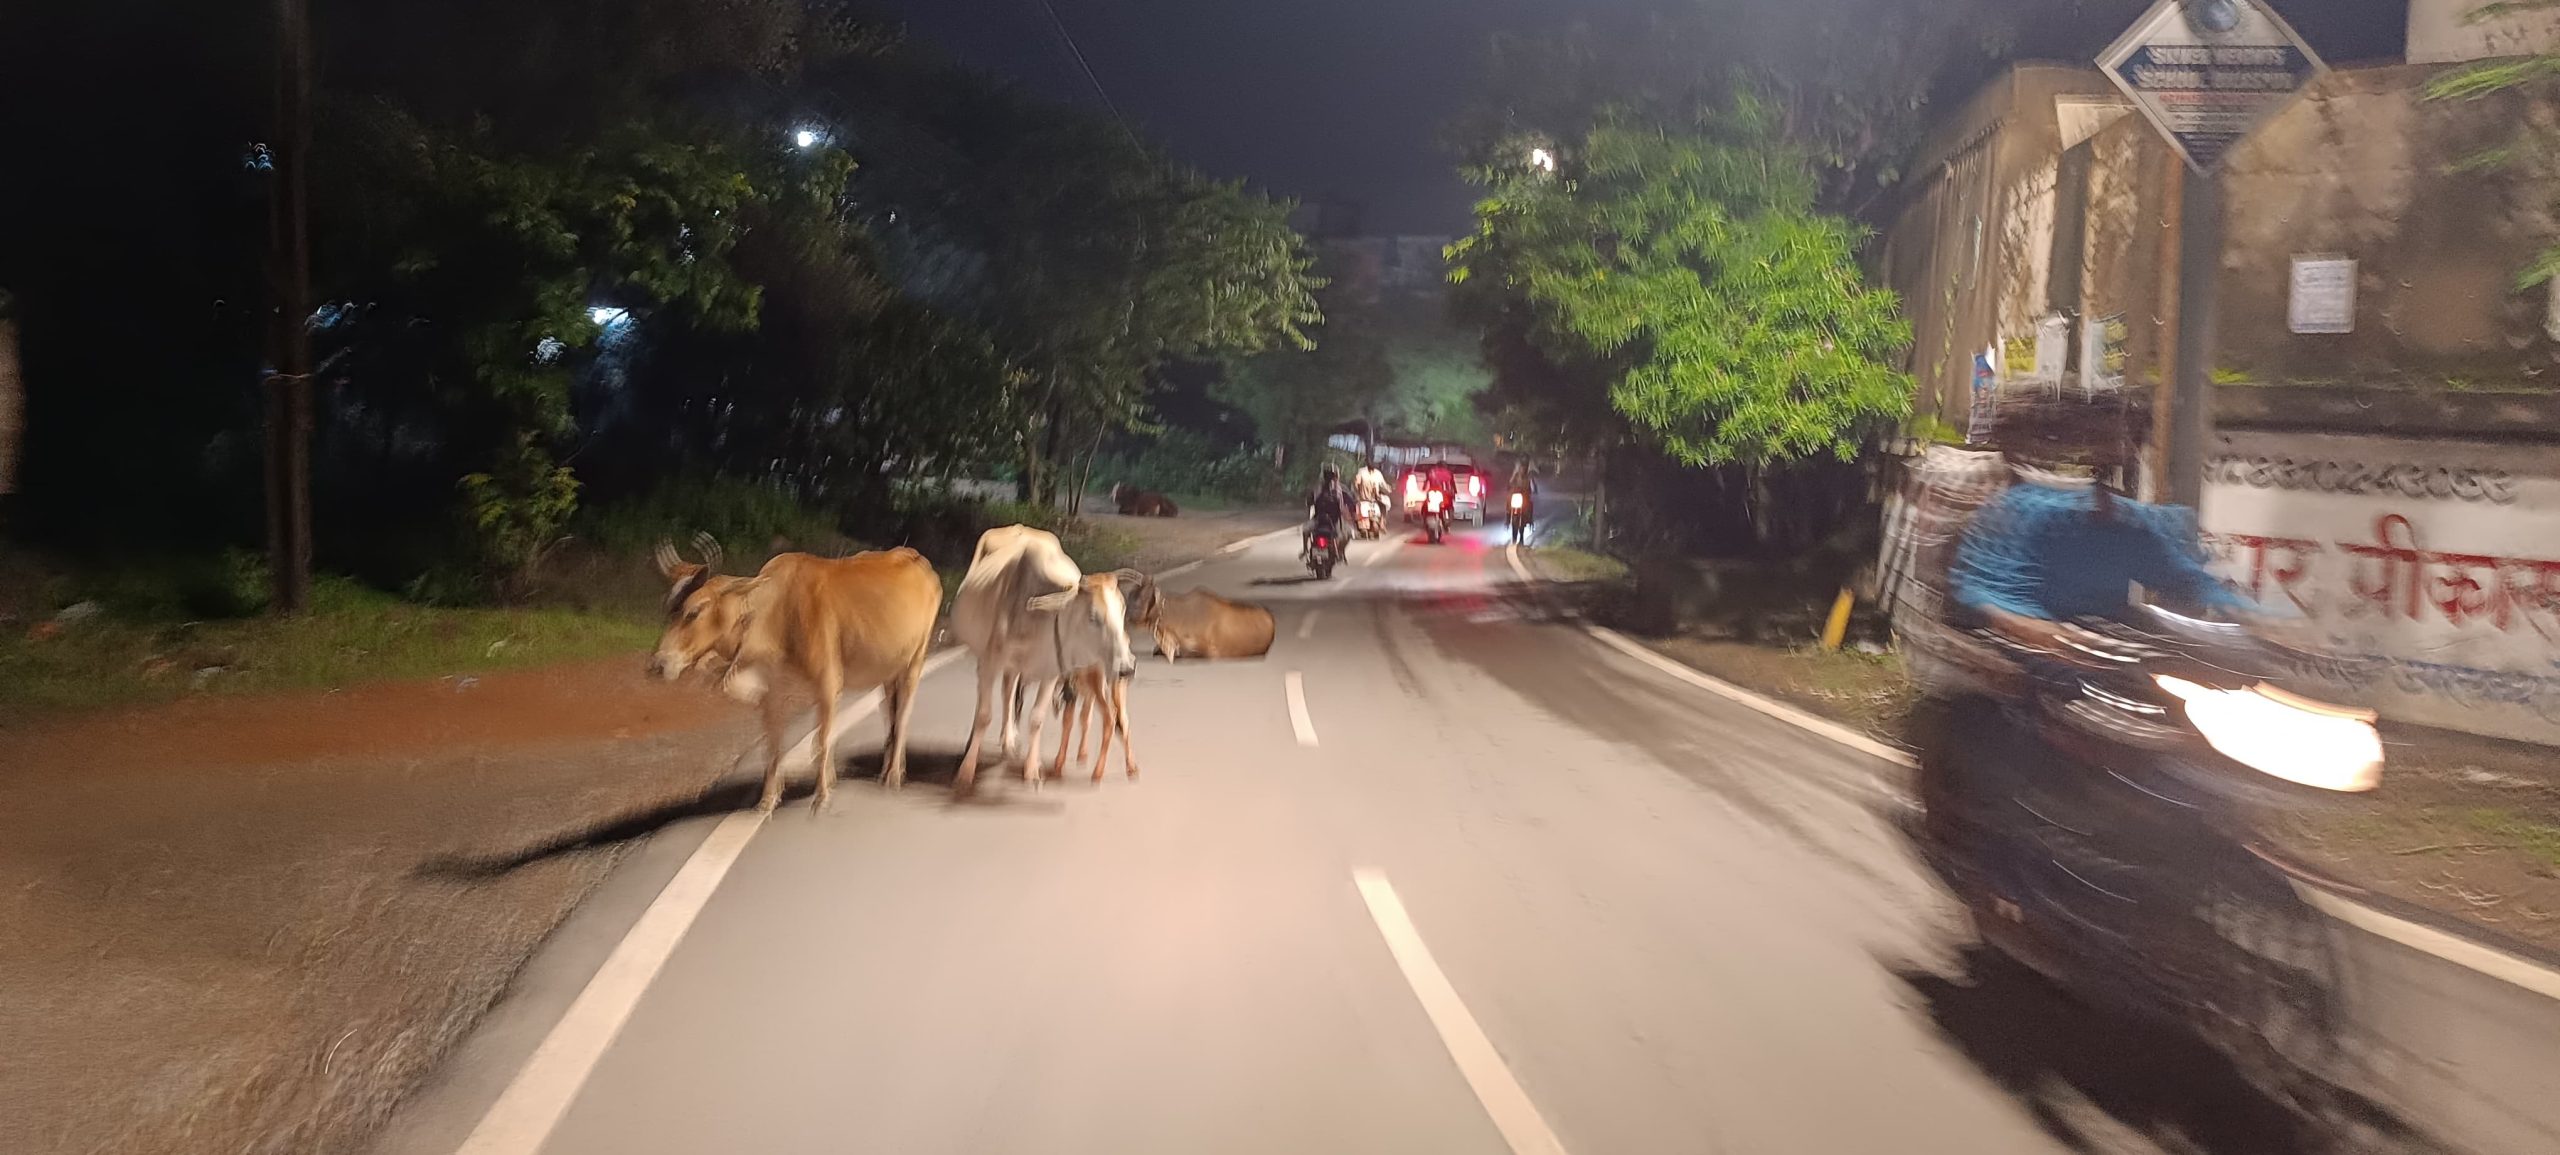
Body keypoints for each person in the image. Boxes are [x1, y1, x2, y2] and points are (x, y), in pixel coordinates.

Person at [1948, 465, 2252, 651]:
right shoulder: (2026, 513)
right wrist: (2031, 626)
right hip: (2035, 647)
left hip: (2103, 645)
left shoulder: (2128, 528)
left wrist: (2253, 615)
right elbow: (1985, 590)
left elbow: (2184, 577)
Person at [1303, 464, 1354, 561]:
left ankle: (1305, 550)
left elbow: (1309, 501)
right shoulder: (1340, 489)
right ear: (1337, 476)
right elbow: (1351, 503)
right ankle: (1340, 552)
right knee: (1349, 533)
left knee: (1305, 530)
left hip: (1322, 520)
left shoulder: (1318, 488)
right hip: (1331, 521)